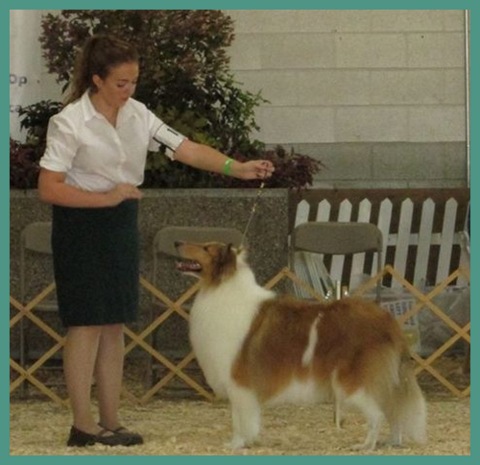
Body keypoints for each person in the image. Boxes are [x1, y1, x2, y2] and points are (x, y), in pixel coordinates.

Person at [38, 34, 274, 448]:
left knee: (115, 323)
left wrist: (236, 168)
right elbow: (49, 187)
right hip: (79, 226)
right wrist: (103, 197)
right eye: (120, 84)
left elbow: (185, 149)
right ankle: (82, 424)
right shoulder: (70, 122)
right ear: (96, 79)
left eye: (134, 82)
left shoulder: (139, 116)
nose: (129, 91)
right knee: (86, 324)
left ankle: (111, 420)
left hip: (120, 222)